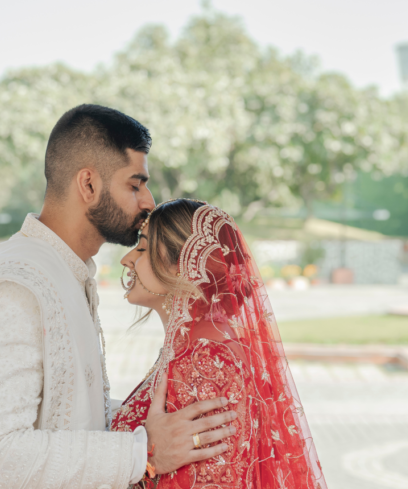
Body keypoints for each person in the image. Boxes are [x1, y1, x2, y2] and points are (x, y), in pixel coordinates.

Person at [0, 105, 237, 488]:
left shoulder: (60, 271)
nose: (148, 202)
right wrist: (142, 452)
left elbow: (66, 414)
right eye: (134, 184)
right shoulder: (13, 287)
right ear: (89, 185)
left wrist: (154, 420)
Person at [113, 199, 327, 488]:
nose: (127, 260)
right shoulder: (197, 345)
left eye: (141, 247)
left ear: (183, 264)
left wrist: (145, 463)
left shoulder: (205, 360)